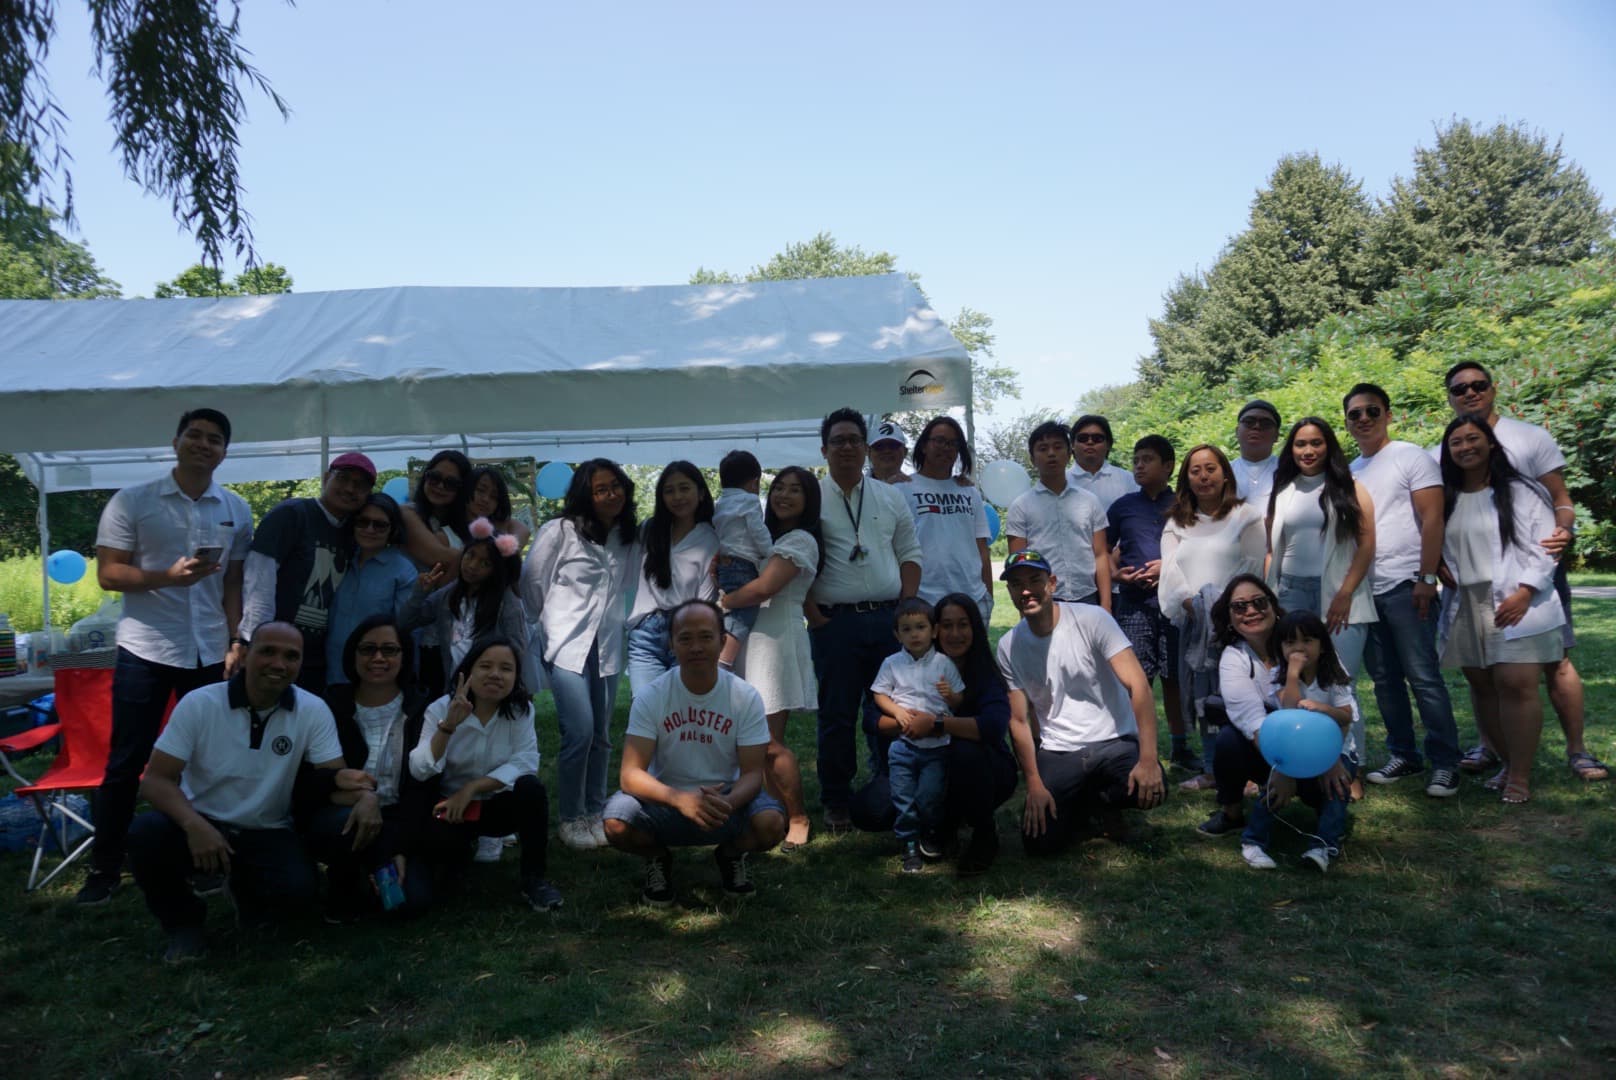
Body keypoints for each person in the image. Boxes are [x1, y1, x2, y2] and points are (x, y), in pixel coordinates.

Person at [76, 408, 254, 907]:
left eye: (214, 439)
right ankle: (105, 868)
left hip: (209, 651)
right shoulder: (132, 501)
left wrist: (237, 636)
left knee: (208, 761)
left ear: (225, 451)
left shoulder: (236, 508)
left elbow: (234, 581)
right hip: (147, 648)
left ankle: (204, 861)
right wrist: (166, 579)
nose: (203, 445)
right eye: (194, 436)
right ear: (175, 441)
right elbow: (109, 575)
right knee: (127, 760)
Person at [125, 623, 348, 962]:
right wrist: (194, 824)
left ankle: (246, 892)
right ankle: (184, 925)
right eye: (268, 651)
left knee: (299, 892)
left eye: (291, 656)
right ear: (245, 655)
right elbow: (155, 781)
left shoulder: (313, 709)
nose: (279, 663)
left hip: (267, 828)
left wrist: (366, 795)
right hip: (201, 825)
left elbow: (334, 778)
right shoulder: (200, 703)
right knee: (146, 835)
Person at [1441, 362, 1606, 782]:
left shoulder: (1530, 441)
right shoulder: (1447, 478)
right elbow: (1429, 527)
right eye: (1460, 389)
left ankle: (1576, 750)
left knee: (1550, 665)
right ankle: (1495, 751)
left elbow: (1559, 500)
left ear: (1493, 389)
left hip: (1527, 580)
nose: (1469, 393)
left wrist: (1562, 533)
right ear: (1450, 397)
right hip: (1470, 594)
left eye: (1478, 385)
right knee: (1486, 680)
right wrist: (1433, 567)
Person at [603, 600, 786, 905]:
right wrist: (679, 800)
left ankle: (730, 854)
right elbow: (630, 774)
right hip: (666, 800)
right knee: (616, 823)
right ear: (672, 645)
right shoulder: (652, 696)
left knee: (771, 825)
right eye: (685, 638)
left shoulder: (745, 696)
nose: (696, 646)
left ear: (723, 641)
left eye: (706, 636)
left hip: (727, 800)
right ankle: (657, 858)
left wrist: (726, 802)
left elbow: (754, 773)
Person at [997, 551, 1166, 855]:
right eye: (1016, 584)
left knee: (1152, 790)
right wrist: (1034, 784)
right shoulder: (1008, 645)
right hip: (1059, 748)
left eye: (1034, 580)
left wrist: (1149, 759)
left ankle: (1102, 803)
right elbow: (1019, 720)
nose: (1025, 590)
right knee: (1039, 845)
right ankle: (1083, 804)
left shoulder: (1093, 619)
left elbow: (1138, 684)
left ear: (1051, 583)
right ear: (1009, 591)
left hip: (1114, 741)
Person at [1438, 414, 1565, 804]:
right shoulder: (1446, 496)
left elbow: (1546, 547)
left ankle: (1520, 776)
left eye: (1473, 439)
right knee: (1482, 685)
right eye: (1456, 442)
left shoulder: (1521, 491)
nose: (1464, 447)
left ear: (1491, 444)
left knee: (1516, 684)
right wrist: (1437, 566)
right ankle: (1506, 762)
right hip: (1466, 601)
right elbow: (1432, 540)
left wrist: (1526, 591)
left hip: (1517, 598)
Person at [806, 407, 923, 831]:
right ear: (824, 449)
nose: (848, 447)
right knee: (836, 714)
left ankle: (888, 786)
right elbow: (793, 555)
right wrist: (808, 609)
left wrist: (907, 608)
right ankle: (836, 799)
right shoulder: (810, 495)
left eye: (856, 439)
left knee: (889, 713)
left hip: (888, 619)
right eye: (838, 440)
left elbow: (910, 553)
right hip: (834, 623)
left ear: (866, 447)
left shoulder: (891, 496)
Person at [1343, 383, 1461, 797]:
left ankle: (1446, 762)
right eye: (1354, 414)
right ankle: (1404, 754)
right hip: (1366, 591)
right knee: (1385, 680)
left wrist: (1427, 578)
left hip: (1407, 585)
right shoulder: (1350, 471)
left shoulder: (1410, 456)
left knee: (1424, 677)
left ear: (1388, 415)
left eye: (1371, 411)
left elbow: (1433, 519)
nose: (1363, 419)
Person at [521, 458, 638, 850]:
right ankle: (570, 817)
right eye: (600, 488)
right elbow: (532, 580)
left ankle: (595, 809)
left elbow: (629, 583)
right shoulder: (560, 531)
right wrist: (549, 623)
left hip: (605, 646)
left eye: (616, 486)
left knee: (602, 736)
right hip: (566, 645)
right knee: (580, 732)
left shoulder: (626, 537)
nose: (610, 494)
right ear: (585, 495)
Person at [1265, 417, 1376, 798]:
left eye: (1315, 443)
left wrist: (1345, 592)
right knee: (1292, 679)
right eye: (1300, 444)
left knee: (1340, 682)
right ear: (1290, 449)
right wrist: (1272, 597)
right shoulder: (1283, 491)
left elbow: (1366, 545)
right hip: (1291, 593)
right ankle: (1294, 763)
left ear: (1328, 446)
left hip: (1339, 596)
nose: (1308, 451)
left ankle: (1350, 768)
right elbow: (1272, 549)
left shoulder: (1350, 488)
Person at [407, 636, 561, 910]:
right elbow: (419, 770)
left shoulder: (520, 711)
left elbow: (526, 762)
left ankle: (534, 878)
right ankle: (456, 858)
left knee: (531, 790)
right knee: (441, 880)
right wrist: (448, 727)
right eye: (485, 666)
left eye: (506, 668)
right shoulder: (441, 708)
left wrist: (473, 788)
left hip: (496, 806)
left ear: (516, 676)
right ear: (467, 671)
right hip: (450, 810)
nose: (495, 675)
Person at [717, 465, 821, 851]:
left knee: (769, 743)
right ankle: (767, 811)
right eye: (779, 487)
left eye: (796, 490)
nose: (784, 495)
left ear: (809, 501)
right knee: (747, 743)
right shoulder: (762, 537)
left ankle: (797, 816)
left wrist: (719, 603)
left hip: (775, 646)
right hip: (746, 643)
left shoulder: (801, 540)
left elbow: (763, 588)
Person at [303, 616, 433, 919]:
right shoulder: (329, 705)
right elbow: (309, 781)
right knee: (348, 825)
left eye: (389, 650)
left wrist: (397, 846)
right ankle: (346, 881)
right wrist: (359, 797)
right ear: (353, 654)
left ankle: (377, 869)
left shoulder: (421, 707)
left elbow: (424, 789)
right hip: (344, 816)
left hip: (399, 820)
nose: (378, 658)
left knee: (409, 903)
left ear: (404, 656)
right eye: (367, 649)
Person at [1156, 444, 1266, 787]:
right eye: (1195, 470)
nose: (1203, 476)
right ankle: (1211, 766)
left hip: (1238, 621)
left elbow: (1253, 566)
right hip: (1195, 621)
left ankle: (1249, 770)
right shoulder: (1177, 522)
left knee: (1241, 692)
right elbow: (1170, 571)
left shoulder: (1245, 516)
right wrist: (1191, 603)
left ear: (1225, 473)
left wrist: (1229, 609)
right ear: (1186, 479)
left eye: (1210, 468)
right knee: (1203, 695)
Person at [242, 451, 377, 693]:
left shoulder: (355, 534)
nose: (350, 489)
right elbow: (258, 584)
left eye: (360, 485)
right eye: (343, 478)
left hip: (319, 661)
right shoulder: (291, 515)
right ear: (326, 478)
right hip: (274, 655)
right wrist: (255, 645)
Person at [1242, 610, 1359, 872]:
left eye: (1307, 640)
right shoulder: (1280, 677)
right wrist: (1293, 673)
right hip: (1293, 750)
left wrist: (1324, 712)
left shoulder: (1334, 675)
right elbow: (1288, 711)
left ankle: (1324, 846)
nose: (1299, 648)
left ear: (1322, 645)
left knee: (1336, 789)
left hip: (1338, 749)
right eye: (1290, 642)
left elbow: (1346, 718)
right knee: (1273, 788)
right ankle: (1253, 841)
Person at [1107, 435, 1193, 772]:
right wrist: (1118, 577)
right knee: (1136, 678)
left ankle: (1181, 747)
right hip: (1133, 605)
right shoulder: (1122, 506)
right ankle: (1136, 747)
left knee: (1175, 676)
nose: (1139, 466)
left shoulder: (1187, 504)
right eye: (1136, 460)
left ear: (1168, 466)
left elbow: (1199, 549)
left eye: (1147, 459)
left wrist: (1169, 568)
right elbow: (1103, 552)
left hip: (1174, 606)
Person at [870, 597, 966, 872]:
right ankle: (909, 842)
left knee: (929, 795)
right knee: (903, 796)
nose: (914, 634)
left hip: (937, 747)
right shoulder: (892, 663)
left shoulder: (944, 663)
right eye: (907, 629)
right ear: (897, 634)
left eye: (921, 627)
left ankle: (932, 832)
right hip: (903, 746)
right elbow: (879, 694)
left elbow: (959, 702)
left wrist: (953, 696)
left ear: (933, 631)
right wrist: (897, 712)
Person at [1195, 575, 1284, 840]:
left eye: (1259, 602)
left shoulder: (1305, 640)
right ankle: (1232, 813)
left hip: (1315, 749)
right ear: (1230, 616)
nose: (1251, 611)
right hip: (1267, 749)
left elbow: (1338, 696)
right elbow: (1252, 721)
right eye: (1240, 607)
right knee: (1228, 739)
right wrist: (1285, 770)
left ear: (1273, 605)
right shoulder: (1234, 658)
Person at [628, 461, 719, 694]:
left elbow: (706, 598)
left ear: (700, 493)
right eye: (669, 490)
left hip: (687, 632)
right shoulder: (649, 530)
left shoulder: (711, 538)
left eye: (684, 488)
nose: (677, 496)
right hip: (646, 633)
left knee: (682, 709)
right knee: (645, 706)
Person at [401, 523, 528, 680]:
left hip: (490, 690)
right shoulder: (449, 594)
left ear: (498, 570)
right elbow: (406, 623)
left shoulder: (507, 602)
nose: (472, 565)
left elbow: (517, 651)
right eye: (470, 555)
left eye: (485, 563)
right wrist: (419, 593)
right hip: (455, 687)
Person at [1006, 420, 1112, 608]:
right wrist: (1025, 612)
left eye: (1057, 447)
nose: (1051, 454)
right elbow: (1017, 564)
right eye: (1043, 448)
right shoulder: (1021, 506)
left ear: (1069, 454)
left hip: (1086, 596)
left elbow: (1101, 555)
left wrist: (1106, 605)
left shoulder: (1090, 501)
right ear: (1032, 458)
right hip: (1042, 599)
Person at [900, 415, 993, 624]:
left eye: (953, 443)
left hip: (973, 598)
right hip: (924, 600)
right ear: (924, 446)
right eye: (939, 441)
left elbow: (981, 547)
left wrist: (989, 596)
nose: (946, 448)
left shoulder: (969, 491)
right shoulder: (903, 489)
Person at [399, 450, 474, 697]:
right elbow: (444, 559)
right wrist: (486, 561)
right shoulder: (408, 514)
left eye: (451, 483)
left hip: (456, 633)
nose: (440, 486)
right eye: (434, 477)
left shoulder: (463, 525)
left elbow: (514, 527)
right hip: (413, 627)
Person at [325, 493, 419, 687]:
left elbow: (408, 631)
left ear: (392, 529)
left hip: (377, 680)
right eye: (363, 522)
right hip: (331, 675)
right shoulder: (340, 560)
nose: (370, 529)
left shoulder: (403, 571)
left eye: (380, 525)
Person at [713, 450, 774, 673]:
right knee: (743, 614)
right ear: (753, 482)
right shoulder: (749, 500)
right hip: (743, 565)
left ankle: (720, 653)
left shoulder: (720, 502)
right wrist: (771, 552)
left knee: (729, 610)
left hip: (724, 565)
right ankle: (723, 661)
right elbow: (757, 530)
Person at [1067, 414, 1139, 511]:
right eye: (1083, 438)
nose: (1090, 442)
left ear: (1108, 444)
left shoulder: (1129, 480)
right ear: (1072, 445)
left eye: (1097, 438)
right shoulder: (1061, 482)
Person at [467, 464, 532, 553]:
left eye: (494, 496)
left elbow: (524, 531)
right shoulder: (448, 530)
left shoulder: (498, 525)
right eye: (480, 490)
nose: (486, 499)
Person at [1230, 400, 1282, 507]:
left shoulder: (1289, 471)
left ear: (1276, 435)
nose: (1256, 427)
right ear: (1237, 431)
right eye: (1249, 422)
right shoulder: (1225, 473)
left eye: (1265, 424)